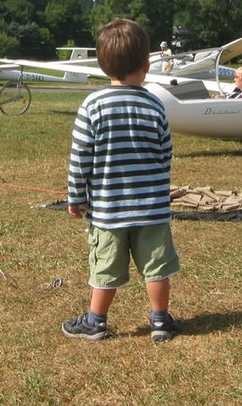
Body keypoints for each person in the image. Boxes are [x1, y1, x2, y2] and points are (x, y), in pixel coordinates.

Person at [62, 18, 180, 342]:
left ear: (103, 66)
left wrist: (75, 196)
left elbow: (80, 157)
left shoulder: (92, 105)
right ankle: (160, 321)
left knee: (105, 268)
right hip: (152, 209)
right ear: (145, 64)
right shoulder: (155, 104)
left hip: (108, 211)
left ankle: (96, 321)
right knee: (157, 267)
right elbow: (165, 152)